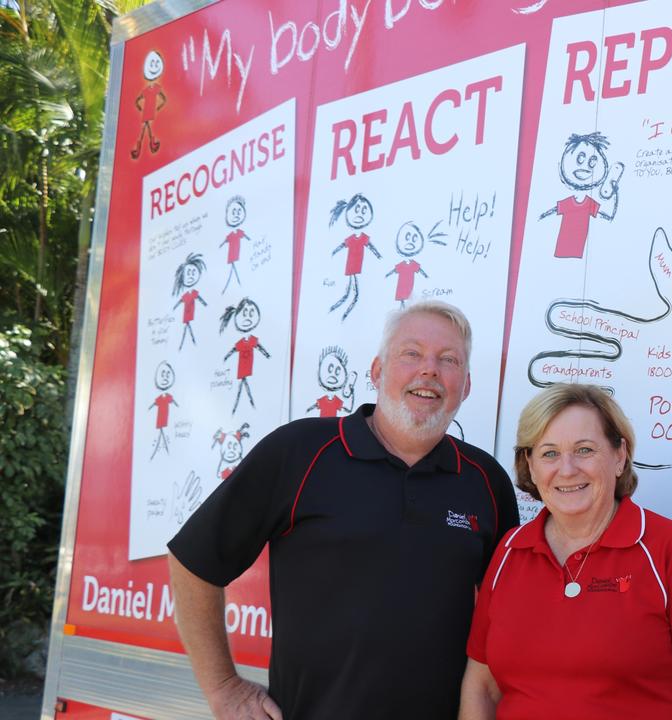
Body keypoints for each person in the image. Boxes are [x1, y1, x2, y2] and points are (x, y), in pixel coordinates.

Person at [168, 300, 519, 720]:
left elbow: (505, 623)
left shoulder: (486, 482)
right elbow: (194, 561)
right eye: (412, 354)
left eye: (449, 360)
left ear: (465, 386)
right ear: (376, 371)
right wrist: (223, 688)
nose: (429, 370)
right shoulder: (299, 452)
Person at [459, 383, 672, 720]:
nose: (567, 469)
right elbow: (481, 689)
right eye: (549, 453)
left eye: (585, 450)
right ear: (530, 466)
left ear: (619, 456)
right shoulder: (509, 551)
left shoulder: (668, 548)